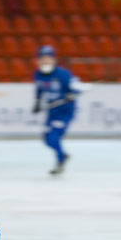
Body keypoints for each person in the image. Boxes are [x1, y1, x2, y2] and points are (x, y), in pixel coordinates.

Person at [32, 45, 82, 175]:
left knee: (54, 136)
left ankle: (60, 160)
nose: (45, 61)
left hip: (64, 111)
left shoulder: (63, 74)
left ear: (54, 60)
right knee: (47, 139)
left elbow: (75, 86)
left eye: (48, 58)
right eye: (42, 59)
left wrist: (73, 93)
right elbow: (39, 89)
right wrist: (37, 102)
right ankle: (62, 155)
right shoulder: (37, 74)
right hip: (51, 111)